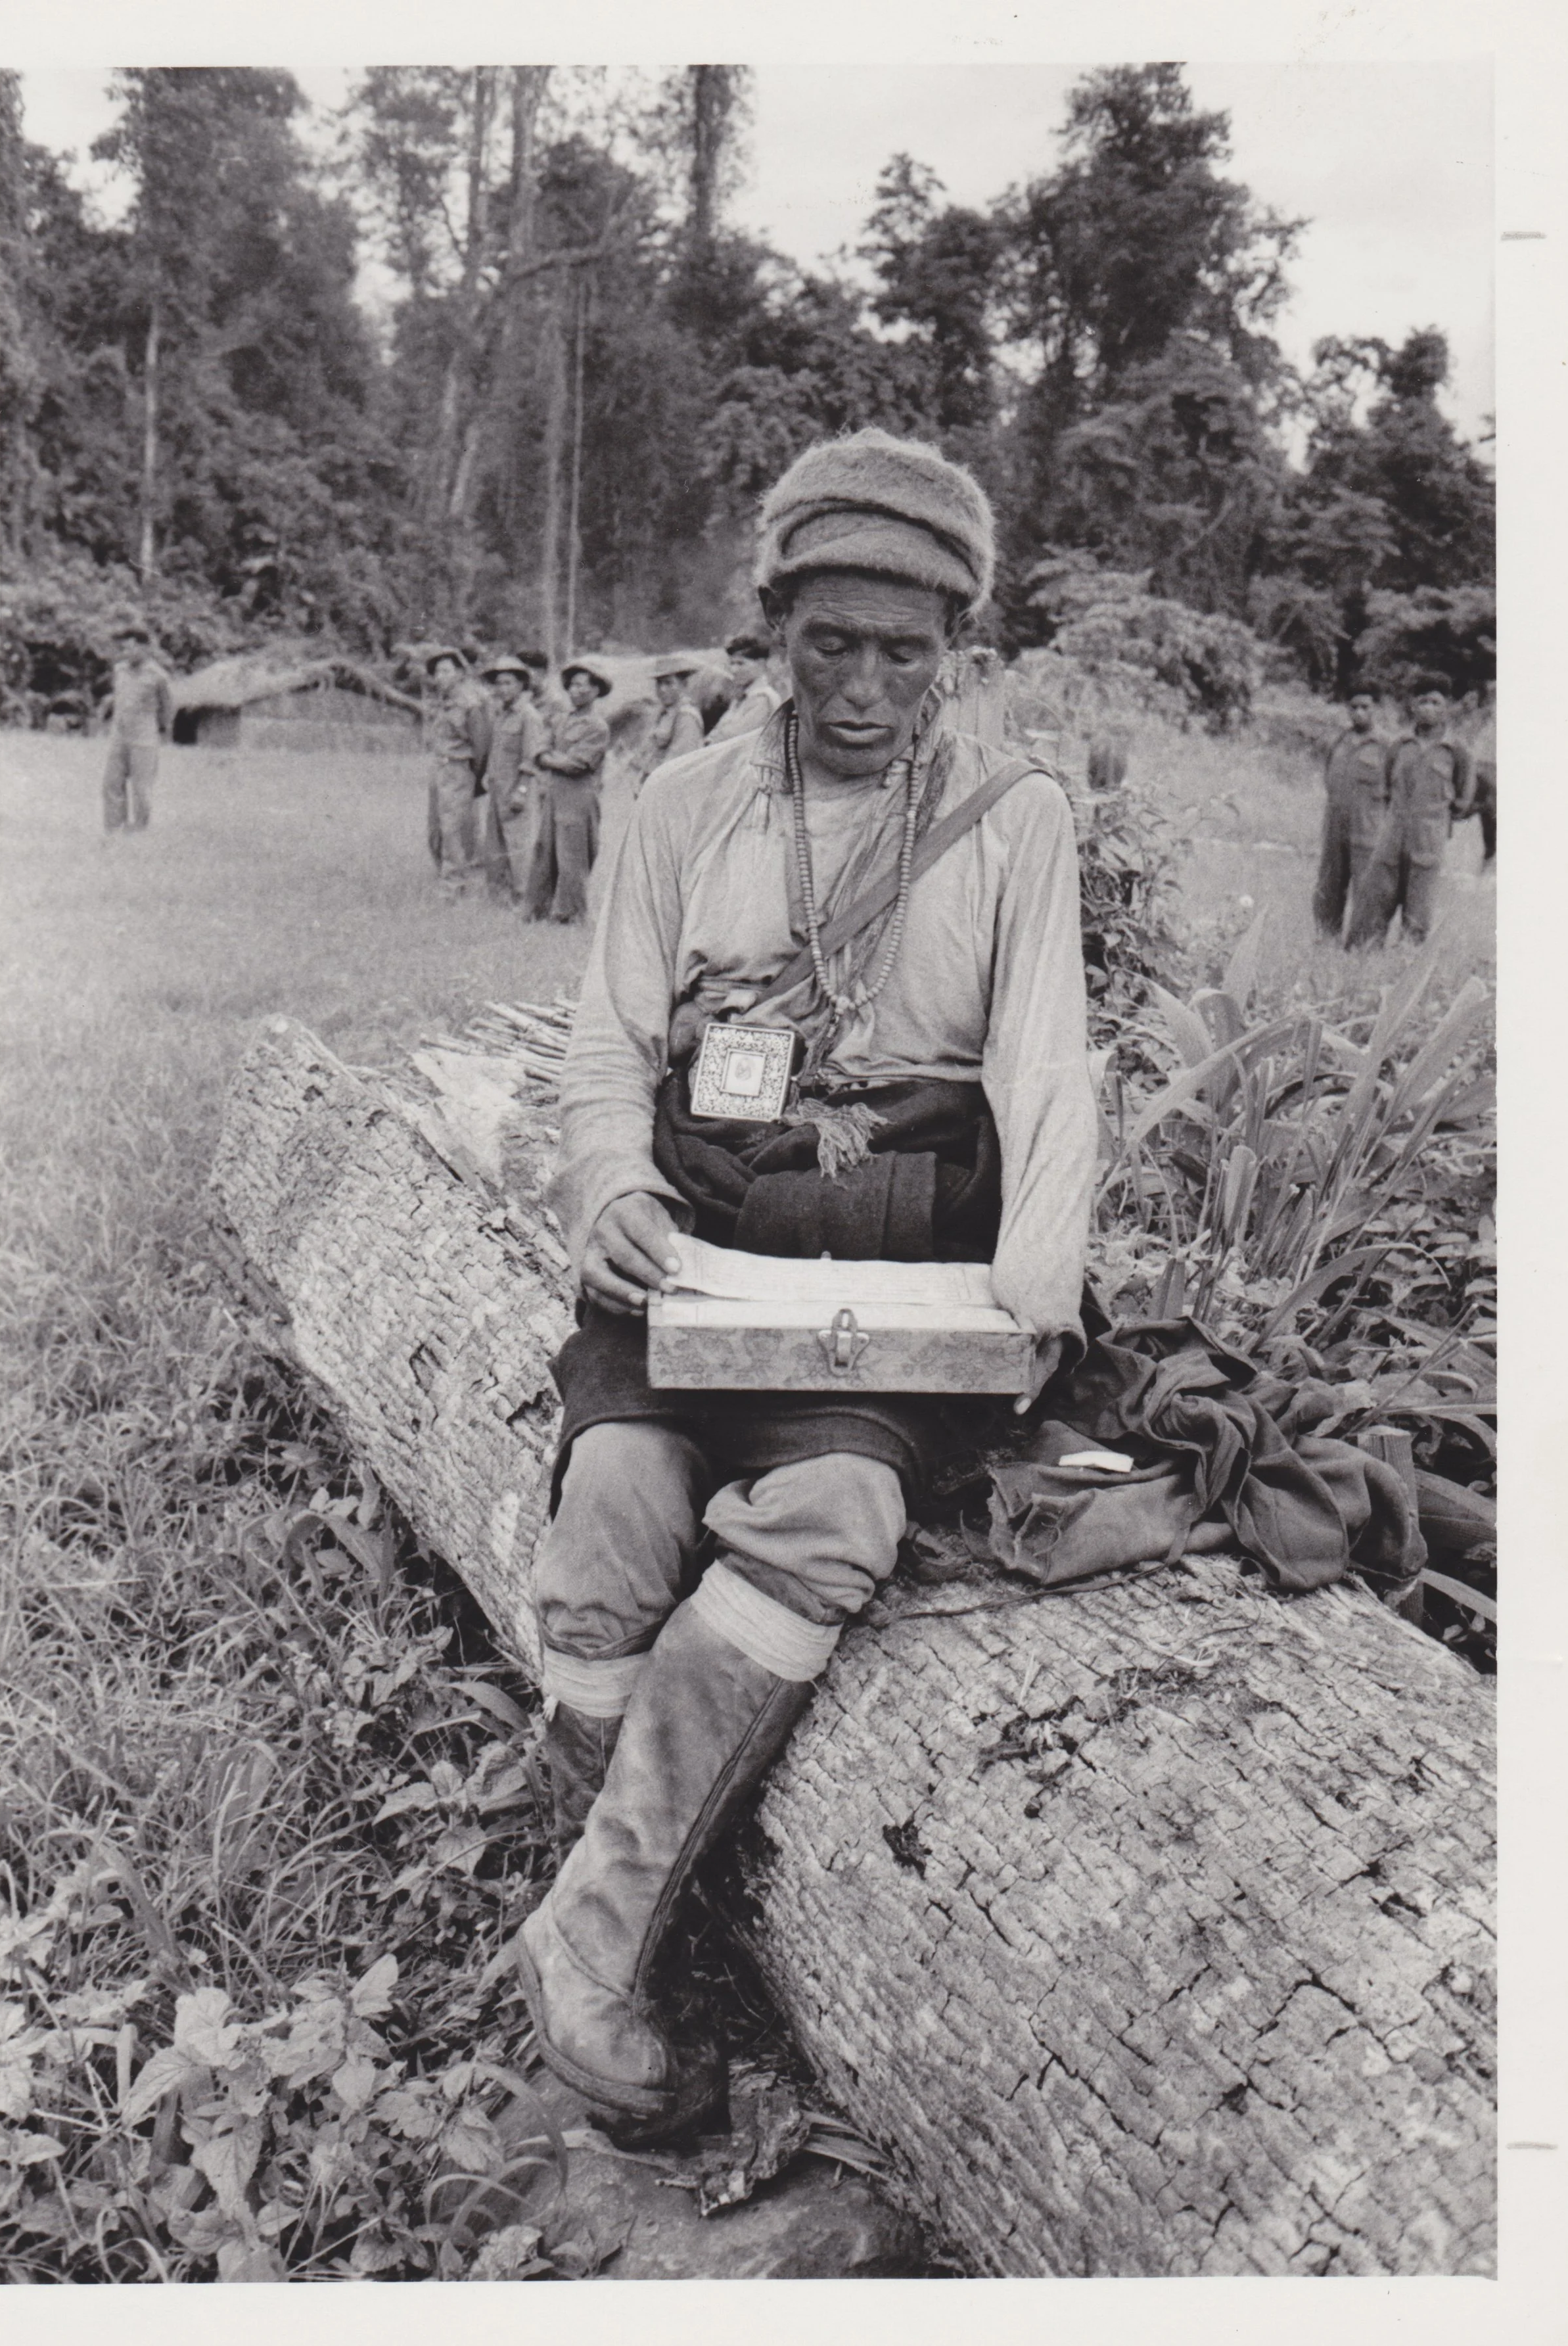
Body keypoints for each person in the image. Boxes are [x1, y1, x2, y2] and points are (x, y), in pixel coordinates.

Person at [513, 427, 1097, 2144]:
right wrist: (611, 1184)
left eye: (900, 650)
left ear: (953, 651)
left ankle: (597, 1932)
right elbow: (607, 1051)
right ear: (768, 630)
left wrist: (1035, 1271)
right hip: (694, 1242)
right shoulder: (684, 802)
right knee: (615, 1498)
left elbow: (1046, 1073)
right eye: (823, 641)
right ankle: (617, 1883)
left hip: (887, 1272)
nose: (858, 685)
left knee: (833, 1508)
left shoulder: (1012, 818)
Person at [1346, 676, 1475, 949]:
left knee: (1419, 910)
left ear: (1446, 707)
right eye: (1422, 701)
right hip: (1392, 835)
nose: (1428, 708)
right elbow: (1386, 789)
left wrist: (1435, 818)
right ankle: (1361, 959)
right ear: (1412, 707)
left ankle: (1405, 968)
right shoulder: (1399, 745)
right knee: (1375, 900)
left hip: (1429, 839)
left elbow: (1463, 800)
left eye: (1435, 702)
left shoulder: (1457, 751)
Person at [524, 657, 612, 925]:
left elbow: (578, 764)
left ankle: (570, 914)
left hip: (579, 797)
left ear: (597, 691)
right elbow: (538, 751)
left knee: (572, 855)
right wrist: (551, 759)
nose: (577, 691)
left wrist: (551, 759)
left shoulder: (597, 726)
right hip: (554, 793)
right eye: (573, 685)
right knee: (545, 850)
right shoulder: (560, 719)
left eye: (584, 687)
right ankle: (539, 909)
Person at [1311, 689, 1391, 937]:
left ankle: (1362, 946)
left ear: (1376, 709)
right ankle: (1326, 939)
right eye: (1354, 707)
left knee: (1367, 890)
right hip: (1336, 828)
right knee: (1329, 886)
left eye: (1365, 707)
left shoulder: (1387, 747)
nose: (1359, 713)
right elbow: (1329, 780)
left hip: (1368, 831)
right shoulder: (1339, 741)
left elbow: (1397, 792)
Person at [421, 648, 490, 898]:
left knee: (453, 828)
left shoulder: (471, 703)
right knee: (436, 827)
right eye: (437, 672)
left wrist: (476, 778)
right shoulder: (442, 701)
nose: (440, 676)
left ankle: (454, 884)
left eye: (447, 670)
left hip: (459, 767)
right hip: (440, 767)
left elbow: (481, 743)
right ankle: (444, 875)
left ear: (460, 673)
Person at [480, 655, 547, 899]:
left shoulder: (529, 716)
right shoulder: (501, 715)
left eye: (509, 683)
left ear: (521, 685)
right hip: (498, 790)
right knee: (495, 843)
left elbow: (532, 758)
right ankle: (499, 895)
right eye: (499, 683)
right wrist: (488, 774)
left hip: (518, 791)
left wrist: (522, 791)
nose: (503, 689)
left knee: (520, 845)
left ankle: (524, 897)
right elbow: (496, 750)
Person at [100, 622, 173, 834]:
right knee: (111, 784)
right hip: (120, 735)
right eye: (124, 649)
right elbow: (119, 698)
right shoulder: (120, 671)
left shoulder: (158, 676)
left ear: (145, 649)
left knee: (141, 789)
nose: (127, 653)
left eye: (131, 648)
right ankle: (114, 829)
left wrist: (158, 729)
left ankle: (139, 830)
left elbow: (168, 709)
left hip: (144, 738)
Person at [632, 656, 705, 792]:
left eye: (669, 683)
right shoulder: (663, 714)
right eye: (659, 684)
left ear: (684, 685)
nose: (662, 689)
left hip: (673, 789)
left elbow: (678, 763)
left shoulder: (687, 717)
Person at [708, 634, 781, 741]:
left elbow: (735, 738)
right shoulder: (742, 697)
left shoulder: (763, 698)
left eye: (741, 663)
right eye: (732, 663)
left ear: (761, 664)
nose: (734, 670)